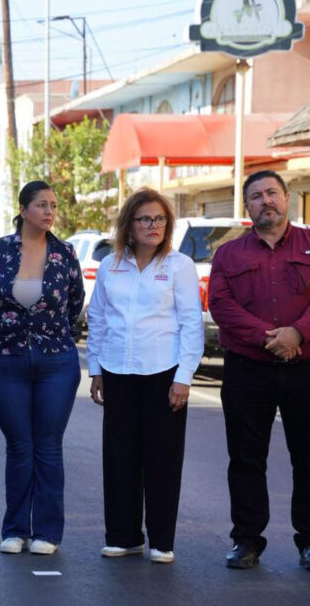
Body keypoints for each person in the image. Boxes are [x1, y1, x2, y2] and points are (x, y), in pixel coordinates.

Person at [86, 188, 204, 564]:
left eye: (160, 219)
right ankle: (123, 536)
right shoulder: (110, 265)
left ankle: (161, 541)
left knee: (163, 459)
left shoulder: (179, 265)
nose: (154, 226)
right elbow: (99, 319)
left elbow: (191, 324)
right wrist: (96, 370)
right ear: (129, 225)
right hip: (118, 371)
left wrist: (184, 377)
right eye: (145, 219)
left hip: (164, 373)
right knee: (120, 457)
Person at [0, 180, 84, 556]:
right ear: (23, 210)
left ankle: (47, 533)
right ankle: (16, 530)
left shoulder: (66, 253)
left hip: (57, 361)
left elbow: (74, 305)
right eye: (41, 205)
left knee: (48, 447)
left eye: (53, 205)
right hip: (6, 359)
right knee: (19, 446)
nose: (49, 211)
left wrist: (45, 334)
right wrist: (12, 330)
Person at [209, 170, 310, 571]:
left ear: (287, 198)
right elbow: (222, 305)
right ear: (247, 206)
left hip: (305, 368)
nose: (265, 200)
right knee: (247, 459)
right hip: (248, 370)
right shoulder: (229, 255)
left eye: (271, 192)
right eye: (256, 196)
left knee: (308, 458)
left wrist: (298, 334)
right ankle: (247, 541)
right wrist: (271, 337)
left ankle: (309, 542)